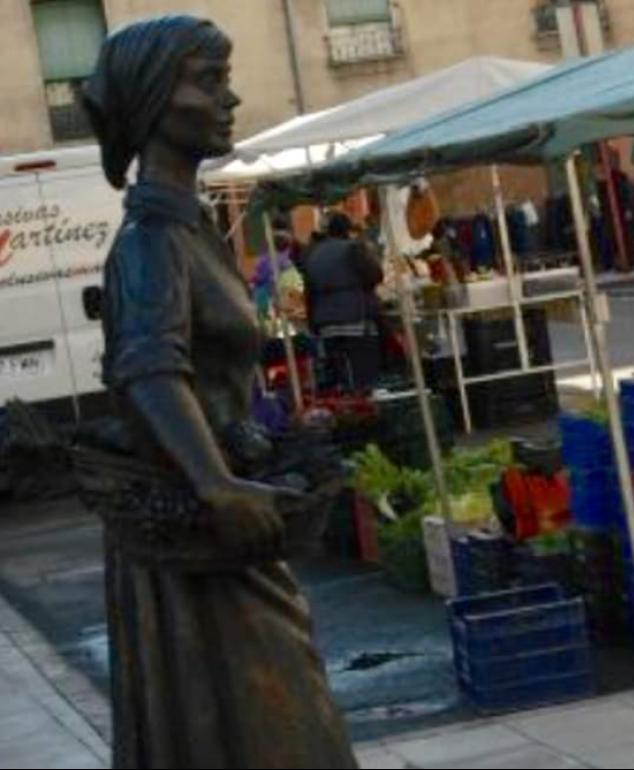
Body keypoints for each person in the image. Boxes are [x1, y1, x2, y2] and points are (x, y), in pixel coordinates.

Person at [81, 15, 356, 768]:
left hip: (226, 527)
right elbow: (146, 371)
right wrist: (215, 484)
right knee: (282, 734)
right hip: (204, 533)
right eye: (209, 80)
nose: (230, 98)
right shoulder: (151, 244)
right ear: (151, 102)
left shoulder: (189, 228)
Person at [303, 211, 385, 392]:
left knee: (340, 378)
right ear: (347, 230)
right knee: (364, 379)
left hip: (326, 325)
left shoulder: (313, 253)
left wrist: (313, 324)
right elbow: (375, 275)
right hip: (355, 319)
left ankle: (346, 408)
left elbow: (309, 292)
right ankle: (367, 410)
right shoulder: (354, 248)